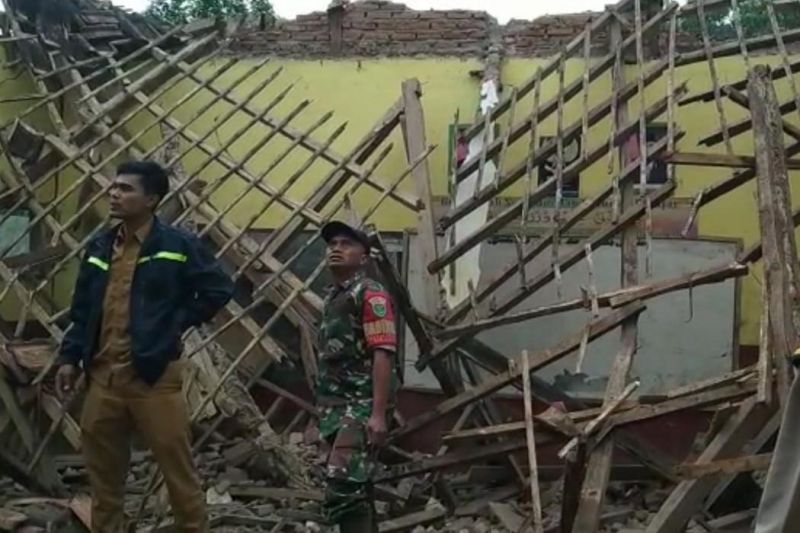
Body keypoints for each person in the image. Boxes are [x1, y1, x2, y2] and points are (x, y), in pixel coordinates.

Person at [54, 161, 234, 533]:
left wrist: (175, 323)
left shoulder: (178, 246)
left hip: (153, 380)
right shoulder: (100, 246)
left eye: (125, 189)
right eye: (113, 187)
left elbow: (218, 288)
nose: (114, 194)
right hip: (103, 380)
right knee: (104, 479)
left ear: (151, 199)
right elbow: (83, 309)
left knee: (177, 472)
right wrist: (70, 357)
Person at [316, 220, 398, 532]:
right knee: (357, 484)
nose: (336, 248)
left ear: (364, 258)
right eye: (332, 244)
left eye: (346, 244)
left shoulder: (371, 294)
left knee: (342, 485)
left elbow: (383, 351)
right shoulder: (334, 296)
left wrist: (377, 414)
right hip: (335, 406)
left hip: (361, 406)